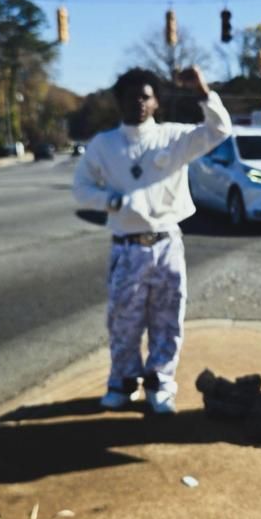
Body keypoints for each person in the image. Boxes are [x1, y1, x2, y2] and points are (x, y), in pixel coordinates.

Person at [72, 66, 231, 414]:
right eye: (131, 97)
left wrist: (202, 91)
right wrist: (111, 200)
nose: (139, 104)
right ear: (119, 102)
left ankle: (160, 383)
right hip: (127, 245)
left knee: (167, 319)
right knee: (123, 321)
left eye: (145, 97)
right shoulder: (104, 145)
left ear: (156, 101)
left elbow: (219, 130)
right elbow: (81, 189)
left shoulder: (174, 137)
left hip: (167, 243)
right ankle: (123, 382)